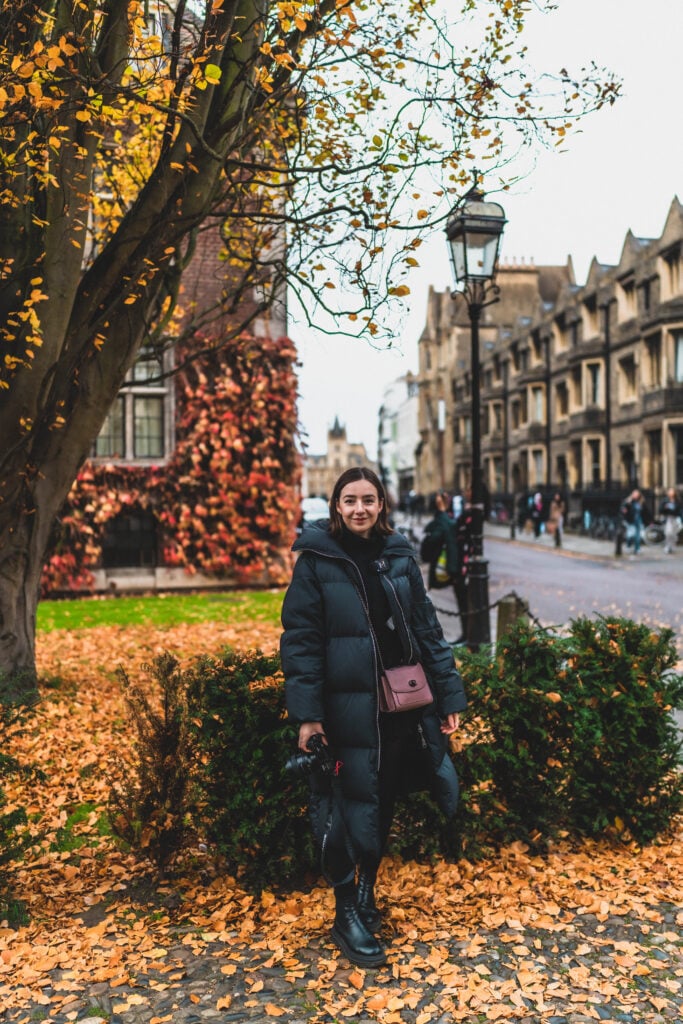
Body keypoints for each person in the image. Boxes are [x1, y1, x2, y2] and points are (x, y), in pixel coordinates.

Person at [280, 467, 466, 968]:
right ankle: (345, 912)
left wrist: (449, 697)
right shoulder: (316, 560)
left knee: (381, 799)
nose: (359, 508)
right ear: (336, 506)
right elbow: (300, 641)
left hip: (398, 706)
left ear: (382, 503)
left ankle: (366, 896)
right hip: (344, 708)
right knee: (340, 806)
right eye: (349, 500)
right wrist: (308, 717)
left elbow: (427, 629)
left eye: (368, 499)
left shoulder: (398, 555)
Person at [421, 491, 467, 643]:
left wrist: (442, 511)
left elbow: (448, 529)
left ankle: (469, 637)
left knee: (466, 603)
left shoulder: (456, 514)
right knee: (463, 602)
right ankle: (467, 636)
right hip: (460, 566)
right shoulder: (445, 518)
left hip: (465, 566)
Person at [620, 488, 651, 555]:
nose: (635, 495)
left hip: (638, 521)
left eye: (637, 494)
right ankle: (628, 546)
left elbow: (646, 512)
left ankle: (637, 549)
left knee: (638, 536)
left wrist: (649, 521)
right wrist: (625, 508)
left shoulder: (641, 502)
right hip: (630, 520)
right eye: (634, 494)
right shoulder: (628, 501)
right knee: (630, 535)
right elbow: (623, 509)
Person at [658, 487, 682, 554]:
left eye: (672, 491)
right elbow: (660, 510)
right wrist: (665, 507)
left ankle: (672, 546)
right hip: (668, 518)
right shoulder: (665, 500)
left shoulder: (677, 501)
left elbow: (680, 510)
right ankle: (667, 546)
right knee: (668, 533)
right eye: (670, 491)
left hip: (675, 518)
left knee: (674, 534)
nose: (671, 492)